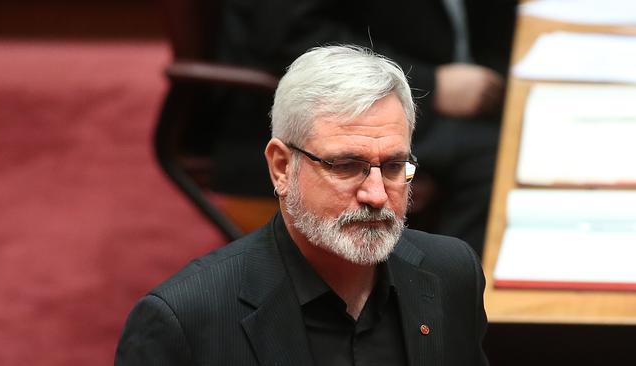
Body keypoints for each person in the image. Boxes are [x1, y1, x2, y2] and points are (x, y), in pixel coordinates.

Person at [116, 45, 488, 366]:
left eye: (392, 167)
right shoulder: (184, 322)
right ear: (281, 167)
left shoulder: (453, 273)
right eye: (345, 166)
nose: (376, 195)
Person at [204, 0, 517, 255]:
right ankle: (442, 306)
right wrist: (430, 84)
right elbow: (288, 37)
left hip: (432, 89)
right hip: (326, 109)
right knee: (500, 156)